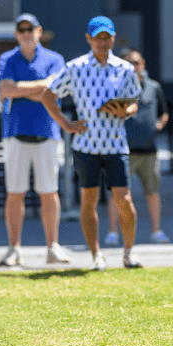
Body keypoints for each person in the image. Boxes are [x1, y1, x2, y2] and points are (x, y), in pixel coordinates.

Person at [34, 16, 142, 271]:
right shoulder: (76, 67)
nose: (102, 42)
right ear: (88, 39)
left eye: (107, 37)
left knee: (124, 199)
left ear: (113, 38)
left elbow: (135, 101)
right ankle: (96, 255)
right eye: (98, 37)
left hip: (116, 144)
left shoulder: (124, 69)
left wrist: (125, 111)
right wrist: (65, 124)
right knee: (89, 200)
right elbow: (48, 95)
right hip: (87, 146)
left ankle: (129, 252)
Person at [0, 13, 71, 267]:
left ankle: (53, 246)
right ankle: (13, 248)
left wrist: (21, 89)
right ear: (16, 33)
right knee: (15, 193)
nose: (26, 33)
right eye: (21, 29)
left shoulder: (55, 59)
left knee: (49, 193)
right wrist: (40, 87)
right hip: (15, 134)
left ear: (39, 31)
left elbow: (54, 91)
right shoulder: (6, 59)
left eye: (30, 29)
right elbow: (6, 90)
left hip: (48, 133)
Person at [105, 48, 170, 246]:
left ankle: (156, 231)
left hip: (148, 150)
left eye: (138, 62)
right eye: (130, 63)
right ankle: (112, 232)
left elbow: (163, 113)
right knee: (118, 193)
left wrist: (157, 126)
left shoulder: (154, 87)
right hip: (123, 151)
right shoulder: (115, 86)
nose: (135, 66)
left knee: (152, 192)